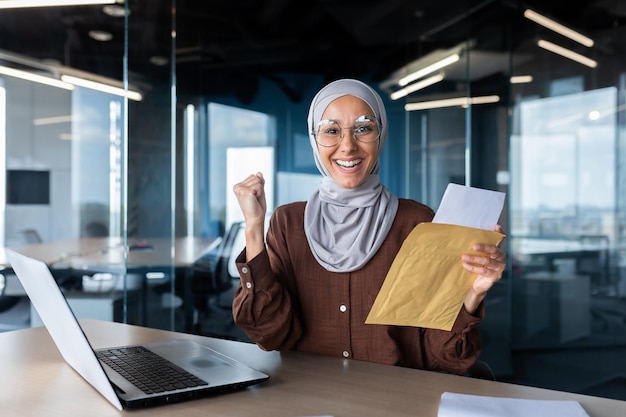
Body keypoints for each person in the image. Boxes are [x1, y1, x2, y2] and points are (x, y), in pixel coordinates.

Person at [231, 78, 506, 375]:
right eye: (331, 130)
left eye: (364, 128)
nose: (347, 146)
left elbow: (444, 357)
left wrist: (471, 294)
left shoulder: (417, 222)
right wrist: (254, 228)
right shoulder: (287, 223)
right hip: (309, 398)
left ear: (380, 135)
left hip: (393, 401)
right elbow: (269, 333)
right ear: (315, 138)